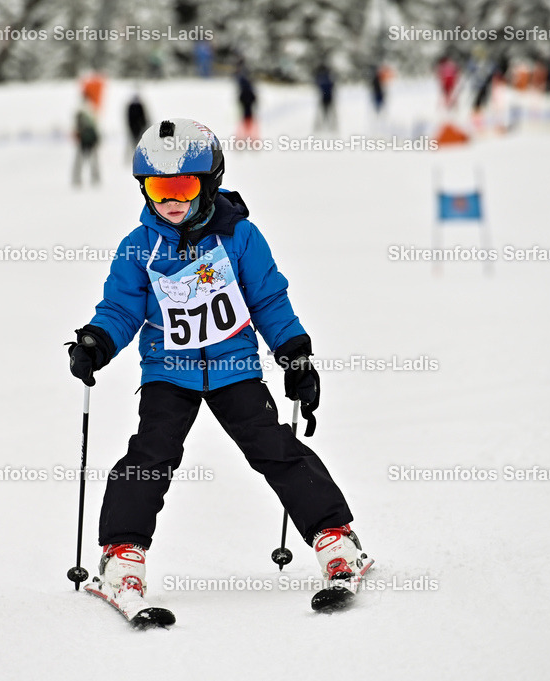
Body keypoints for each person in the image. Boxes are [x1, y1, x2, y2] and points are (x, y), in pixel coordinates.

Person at [67, 118, 373, 608]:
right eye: (156, 187)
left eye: (182, 186)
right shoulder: (140, 247)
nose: (169, 200)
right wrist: (97, 342)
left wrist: (295, 354)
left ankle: (336, 541)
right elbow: (122, 307)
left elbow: (268, 299)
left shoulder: (239, 236)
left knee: (275, 448)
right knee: (150, 456)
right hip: (169, 371)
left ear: (209, 184)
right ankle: (121, 555)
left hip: (235, 369)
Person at [72, 95, 100, 187]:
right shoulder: (87, 113)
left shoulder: (86, 113)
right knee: (84, 160)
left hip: (87, 141)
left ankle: (91, 178)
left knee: (86, 160)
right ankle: (92, 178)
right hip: (86, 141)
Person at [314, 63, 336, 131]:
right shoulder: (328, 77)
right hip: (328, 96)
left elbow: (318, 85)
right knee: (328, 111)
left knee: (325, 111)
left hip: (325, 96)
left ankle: (325, 125)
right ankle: (330, 125)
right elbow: (332, 85)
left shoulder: (321, 77)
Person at [125, 92, 148, 157]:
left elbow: (142, 116)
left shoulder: (137, 106)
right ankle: (135, 154)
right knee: (134, 141)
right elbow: (130, 118)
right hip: (134, 127)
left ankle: (137, 153)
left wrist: (143, 124)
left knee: (138, 141)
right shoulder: (133, 106)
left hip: (138, 127)